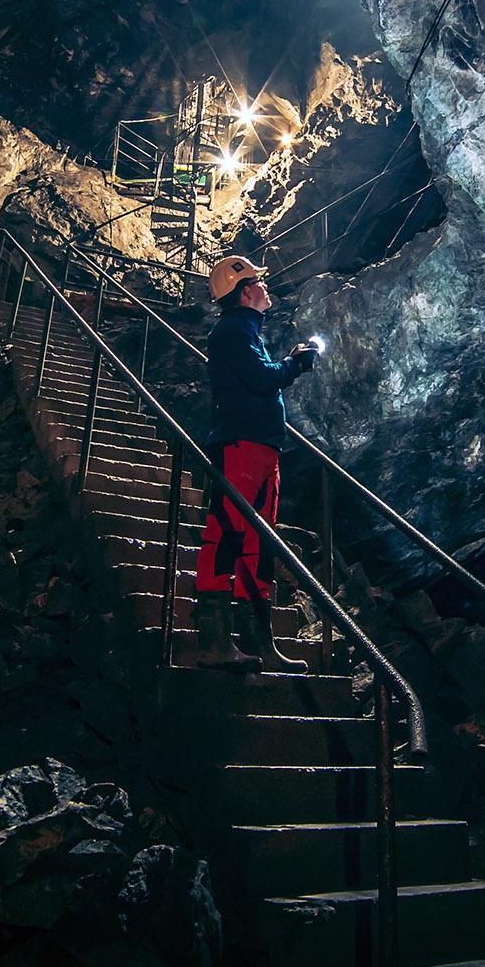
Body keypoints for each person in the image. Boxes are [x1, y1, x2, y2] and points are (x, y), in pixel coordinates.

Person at [193, 255, 317, 672]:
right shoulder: (230, 331)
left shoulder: (246, 330)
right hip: (240, 445)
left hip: (261, 447)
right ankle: (213, 641)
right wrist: (296, 363)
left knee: (258, 542)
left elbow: (261, 376)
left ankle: (258, 642)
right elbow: (262, 379)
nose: (266, 288)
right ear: (244, 292)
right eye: (258, 283)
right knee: (227, 533)